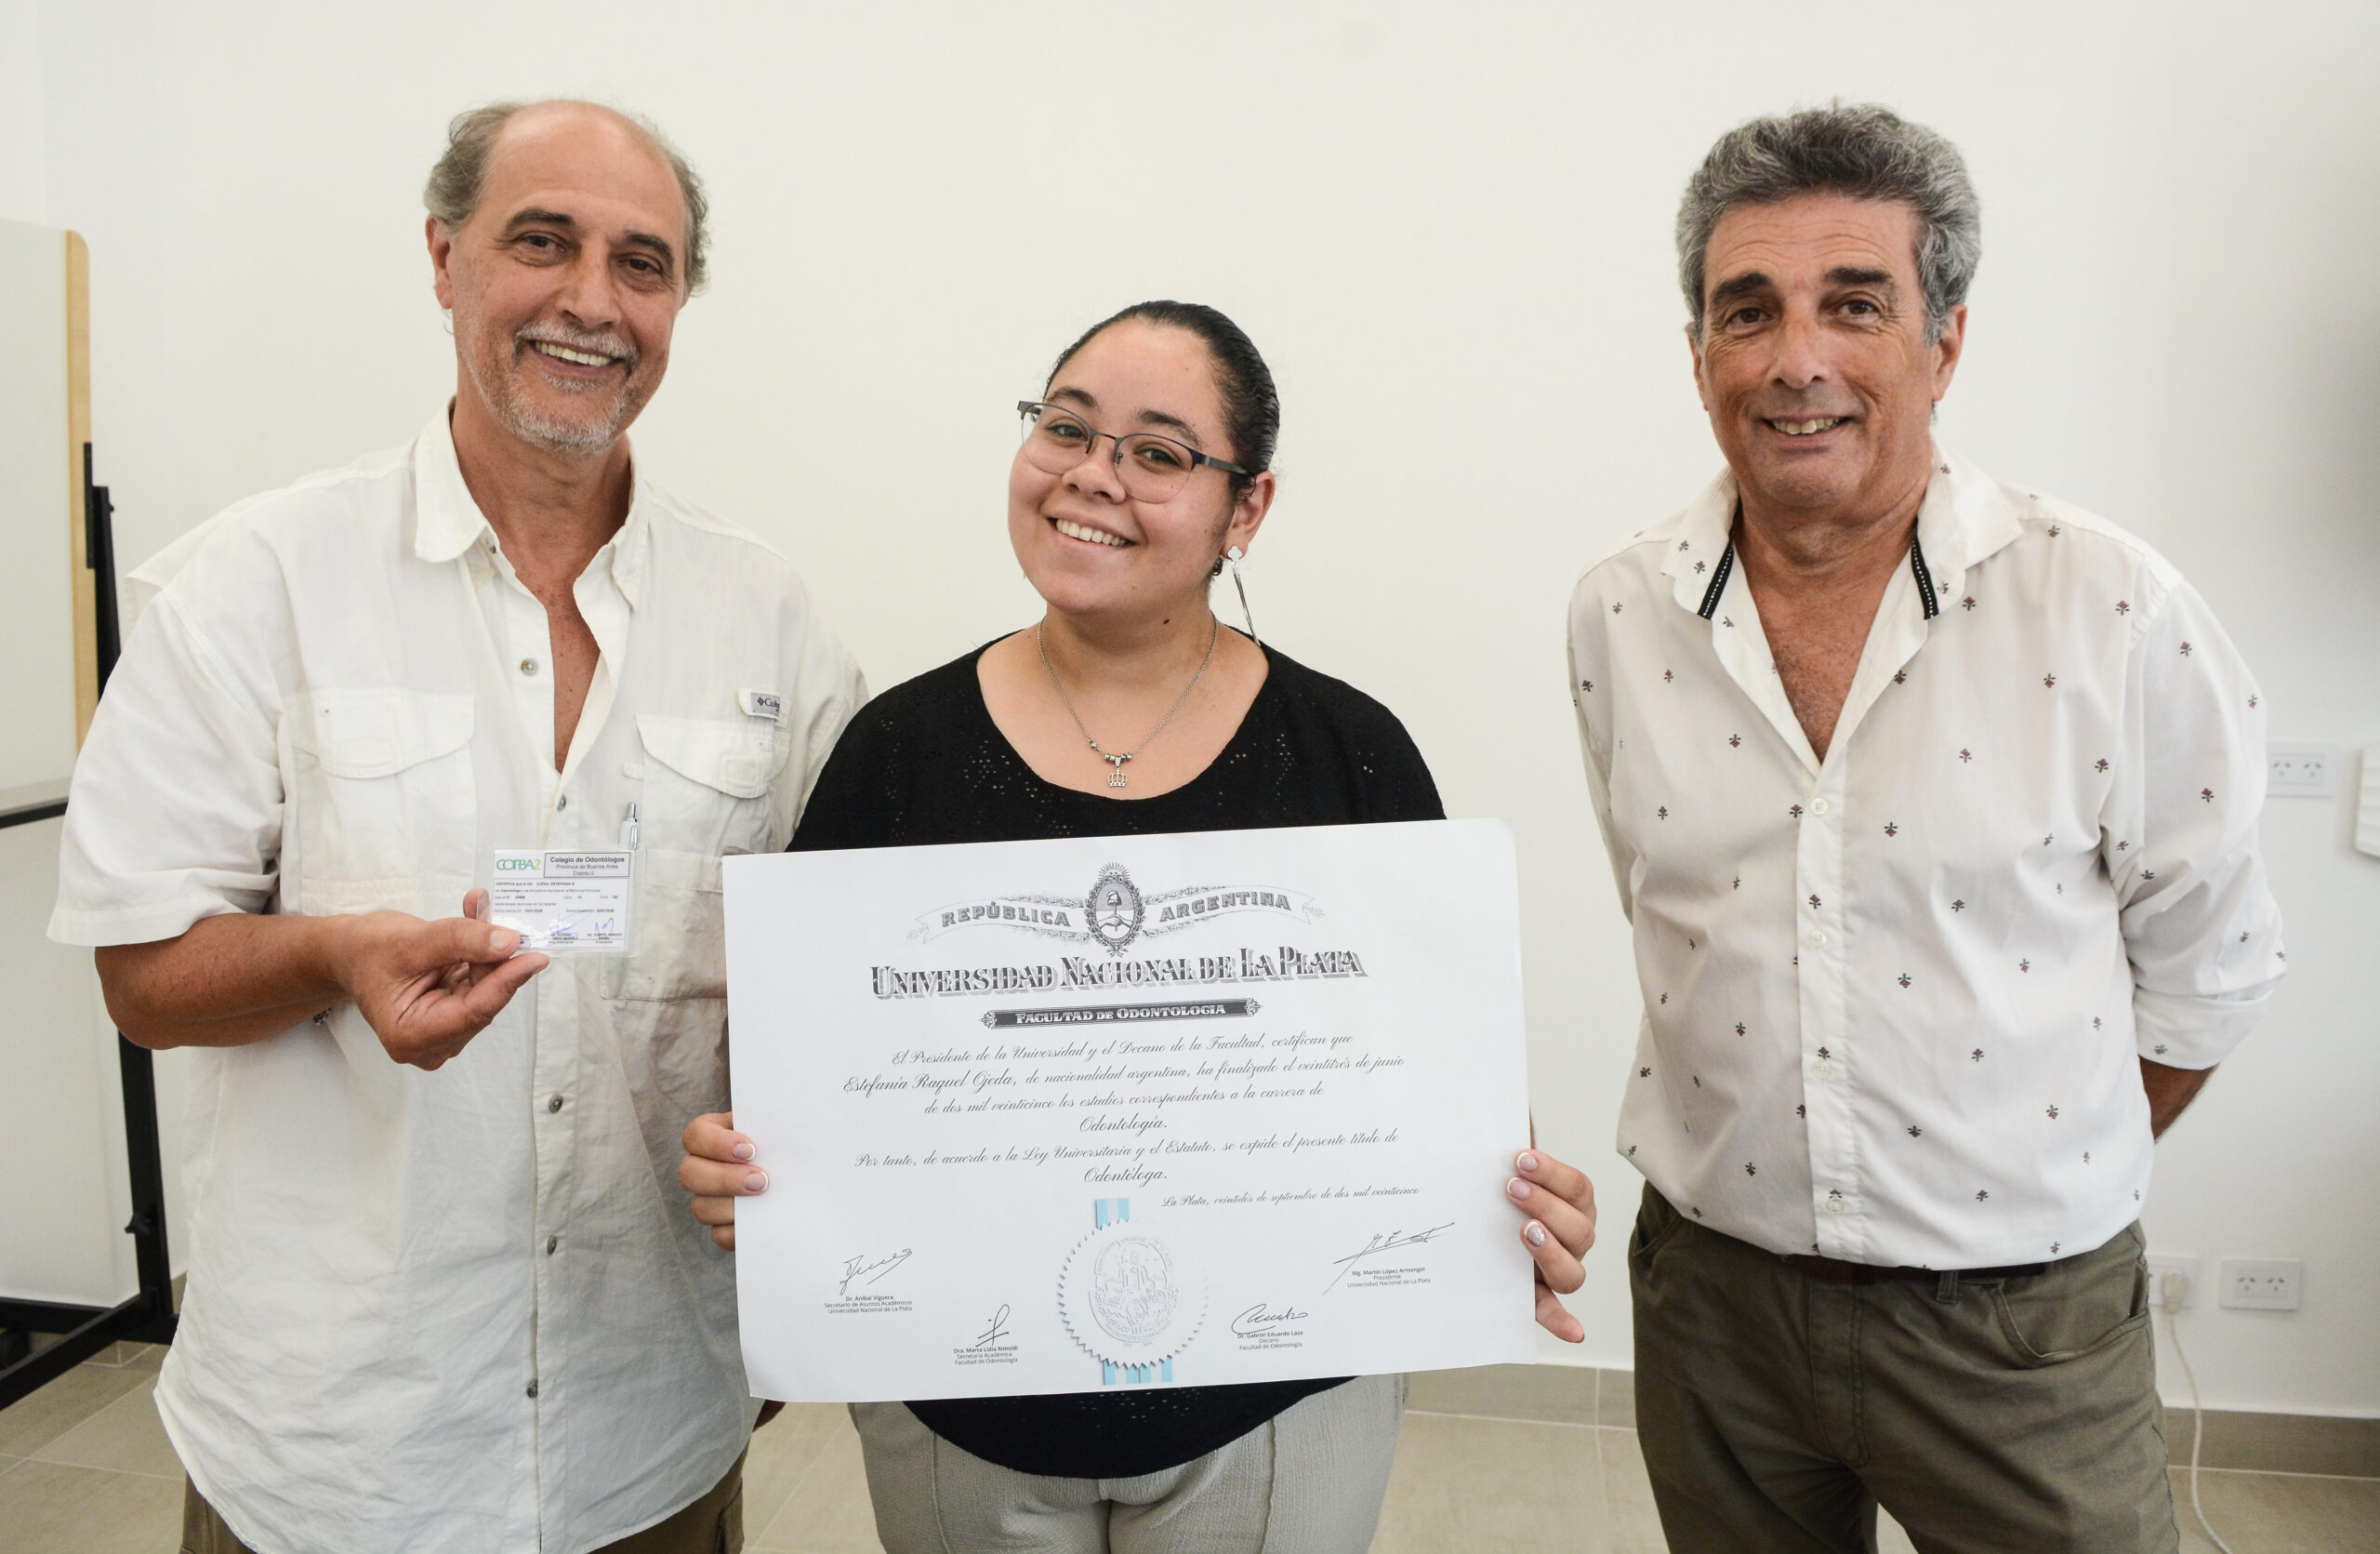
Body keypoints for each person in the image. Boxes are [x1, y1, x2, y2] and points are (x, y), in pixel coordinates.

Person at [46, 99, 863, 1553]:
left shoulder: (772, 622)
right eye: (541, 242)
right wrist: (334, 959)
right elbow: (144, 976)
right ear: (443, 259)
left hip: (648, 1431)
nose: (592, 301)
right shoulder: (259, 582)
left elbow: (834, 993)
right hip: (334, 1453)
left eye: (643, 263)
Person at [681, 300, 1595, 1553]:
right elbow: (801, 1072)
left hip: (1278, 1410)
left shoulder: (1350, 753)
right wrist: (754, 1171)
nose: (1092, 475)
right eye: (1066, 428)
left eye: (1158, 452)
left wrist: (1510, 1205)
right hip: (958, 1406)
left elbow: (1433, 1087)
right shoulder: (896, 750)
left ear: (1246, 508)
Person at [1566, 102, 2285, 1552]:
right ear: (1699, 355)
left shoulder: (2108, 604)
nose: (1797, 359)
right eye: (1748, 311)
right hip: (1714, 1307)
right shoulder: (1619, 611)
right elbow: (1660, 911)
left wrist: (2014, 1179)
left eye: (1855, 304)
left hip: (2018, 1332)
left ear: (1944, 342)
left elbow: (2208, 971)